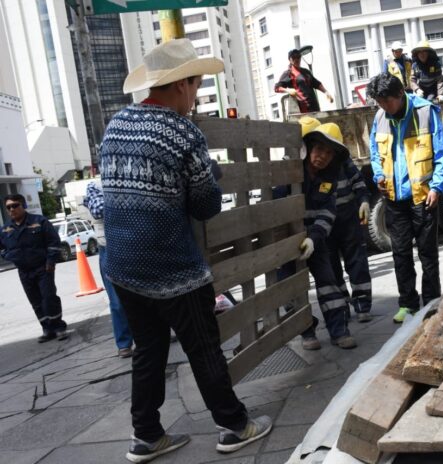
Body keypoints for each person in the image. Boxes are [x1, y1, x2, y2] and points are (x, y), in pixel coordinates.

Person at [99, 38, 271, 463]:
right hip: (173, 266)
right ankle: (234, 426)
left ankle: (146, 436)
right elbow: (205, 206)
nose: (196, 95)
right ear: (180, 84)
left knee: (148, 352)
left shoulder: (116, 124)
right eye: (196, 85)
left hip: (123, 266)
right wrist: (209, 173)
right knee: (204, 348)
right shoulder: (182, 132)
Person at [367, 73, 443, 323]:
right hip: (394, 198)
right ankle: (408, 304)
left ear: (400, 94)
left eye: (387, 101)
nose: (384, 106)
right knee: (400, 253)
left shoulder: (425, 112)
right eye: (379, 102)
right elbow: (374, 151)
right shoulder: (380, 117)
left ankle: (432, 302)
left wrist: (437, 187)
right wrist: (378, 175)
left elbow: (441, 153)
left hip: (423, 197)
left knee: (427, 254)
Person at [275, 120, 357, 350]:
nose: (323, 156)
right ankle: (307, 331)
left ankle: (339, 331)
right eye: (319, 149)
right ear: (308, 148)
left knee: (329, 283)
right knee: (289, 290)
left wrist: (313, 238)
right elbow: (275, 206)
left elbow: (327, 213)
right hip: (286, 241)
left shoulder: (329, 179)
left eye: (329, 153)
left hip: (315, 240)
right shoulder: (289, 171)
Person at [0, 194, 68, 343]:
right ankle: (47, 329)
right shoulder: (5, 229)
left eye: (15, 205)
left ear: (23, 206)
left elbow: (54, 242)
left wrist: (51, 261)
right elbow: (2, 248)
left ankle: (59, 327)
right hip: (24, 271)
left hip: (43, 268)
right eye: (8, 207)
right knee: (35, 301)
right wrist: (10, 256)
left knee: (49, 298)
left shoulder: (39, 221)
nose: (12, 209)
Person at [83, 181, 133, 358]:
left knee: (146, 294)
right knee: (117, 301)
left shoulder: (130, 180)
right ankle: (124, 343)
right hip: (110, 249)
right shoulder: (95, 186)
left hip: (134, 245)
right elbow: (98, 210)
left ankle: (152, 335)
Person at [328, 153, 373, 323]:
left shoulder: (341, 157)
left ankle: (362, 304)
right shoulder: (306, 161)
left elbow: (358, 181)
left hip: (348, 216)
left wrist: (364, 200)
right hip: (324, 222)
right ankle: (342, 304)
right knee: (331, 266)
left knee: (357, 261)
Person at [275, 48, 334, 113]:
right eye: (294, 57)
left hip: (315, 107)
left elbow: (317, 84)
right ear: (290, 60)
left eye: (298, 57)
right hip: (303, 111)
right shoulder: (289, 73)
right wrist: (288, 90)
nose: (296, 59)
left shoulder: (306, 72)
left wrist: (326, 92)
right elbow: (277, 88)